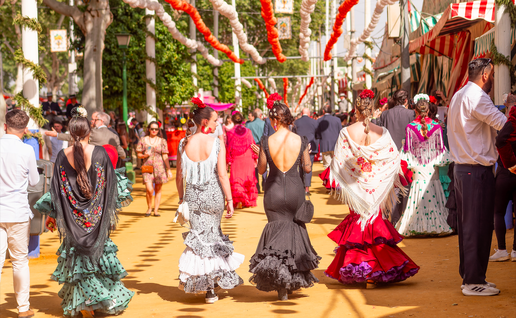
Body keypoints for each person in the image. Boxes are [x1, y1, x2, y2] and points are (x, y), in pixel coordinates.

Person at [43, 107, 134, 317]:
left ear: (71, 132)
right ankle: (100, 303)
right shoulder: (100, 152)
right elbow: (111, 187)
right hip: (97, 217)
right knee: (98, 258)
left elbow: (57, 190)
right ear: (88, 132)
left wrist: (53, 216)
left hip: (72, 218)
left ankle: (81, 304)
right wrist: (105, 212)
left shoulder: (61, 155)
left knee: (77, 261)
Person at [324, 89, 419, 287]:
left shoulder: (345, 132)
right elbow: (393, 158)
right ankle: (375, 270)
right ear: (373, 110)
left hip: (357, 188)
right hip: (377, 186)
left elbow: (339, 162)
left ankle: (360, 269)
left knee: (359, 226)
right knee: (375, 226)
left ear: (356, 111)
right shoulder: (382, 132)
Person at [249, 93, 320, 301]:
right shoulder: (300, 140)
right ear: (287, 119)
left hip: (274, 191)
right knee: (294, 232)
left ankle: (281, 287)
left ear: (273, 120)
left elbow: (261, 169)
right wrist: (305, 152)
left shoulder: (266, 140)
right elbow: (307, 169)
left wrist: (259, 153)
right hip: (296, 190)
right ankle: (291, 282)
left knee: (276, 235)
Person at [447, 58, 507, 296]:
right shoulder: (478, 97)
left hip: (464, 169)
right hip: (475, 169)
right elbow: (502, 124)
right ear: (484, 75)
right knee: (477, 226)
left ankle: (472, 277)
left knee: (470, 226)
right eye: (492, 75)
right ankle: (473, 281)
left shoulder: (459, 95)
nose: (493, 80)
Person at [176, 97, 244, 304]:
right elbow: (222, 175)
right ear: (205, 122)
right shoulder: (216, 142)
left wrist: (181, 198)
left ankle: (208, 288)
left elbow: (179, 175)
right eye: (215, 121)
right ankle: (212, 286)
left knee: (199, 241)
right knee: (213, 237)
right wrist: (230, 199)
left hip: (193, 197)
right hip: (214, 195)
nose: (217, 124)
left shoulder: (183, 143)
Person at [0, 110, 39, 318]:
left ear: (5, 126)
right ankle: (23, 308)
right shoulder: (26, 151)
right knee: (20, 261)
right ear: (25, 130)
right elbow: (34, 181)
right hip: (17, 210)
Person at [395, 96, 453, 237]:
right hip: (432, 165)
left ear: (415, 110)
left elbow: (407, 151)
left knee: (417, 195)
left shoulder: (410, 127)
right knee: (435, 193)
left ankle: (415, 226)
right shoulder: (436, 126)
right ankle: (437, 225)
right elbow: (441, 150)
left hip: (417, 166)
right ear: (428, 111)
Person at [489, 94, 516, 262]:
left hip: (506, 172)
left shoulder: (510, 122)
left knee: (498, 211)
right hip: (510, 172)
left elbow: (499, 141)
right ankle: (514, 251)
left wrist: (510, 163)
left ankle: (502, 249)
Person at [47, 111, 126, 159]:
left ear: (101, 121)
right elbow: (122, 154)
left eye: (95, 120)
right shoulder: (114, 135)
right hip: (110, 169)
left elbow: (75, 137)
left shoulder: (93, 132)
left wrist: (57, 135)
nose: (93, 122)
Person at [136, 121, 172, 217]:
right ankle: (149, 207)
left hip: (159, 168)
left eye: (156, 129)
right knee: (149, 189)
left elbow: (165, 156)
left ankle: (156, 210)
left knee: (158, 189)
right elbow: (138, 154)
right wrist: (144, 155)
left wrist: (168, 169)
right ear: (149, 129)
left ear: (158, 130)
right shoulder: (143, 140)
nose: (154, 130)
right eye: (152, 129)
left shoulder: (162, 141)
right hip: (147, 167)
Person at [226, 112, 258, 208]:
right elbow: (253, 145)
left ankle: (239, 200)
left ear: (232, 120)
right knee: (247, 178)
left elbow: (228, 148)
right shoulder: (248, 131)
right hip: (247, 157)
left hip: (237, 158)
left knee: (237, 179)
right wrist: (255, 158)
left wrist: (227, 160)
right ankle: (247, 200)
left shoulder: (230, 133)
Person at [294, 107, 319, 195]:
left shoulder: (296, 122)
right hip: (310, 147)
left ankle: (301, 186)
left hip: (298, 147)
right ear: (309, 114)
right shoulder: (314, 122)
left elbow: (293, 134)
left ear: (301, 113)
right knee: (308, 167)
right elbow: (317, 135)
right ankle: (307, 189)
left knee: (300, 167)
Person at [246, 109, 267, 193]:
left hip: (252, 147)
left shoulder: (248, 125)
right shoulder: (264, 124)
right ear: (261, 115)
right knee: (264, 164)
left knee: (254, 167)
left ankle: (256, 186)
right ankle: (265, 184)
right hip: (262, 147)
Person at [316, 103, 341, 169]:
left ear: (323, 111)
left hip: (324, 145)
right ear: (331, 111)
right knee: (336, 164)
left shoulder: (319, 120)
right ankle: (334, 178)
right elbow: (340, 132)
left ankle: (328, 178)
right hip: (335, 144)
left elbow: (317, 134)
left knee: (327, 165)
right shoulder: (337, 120)